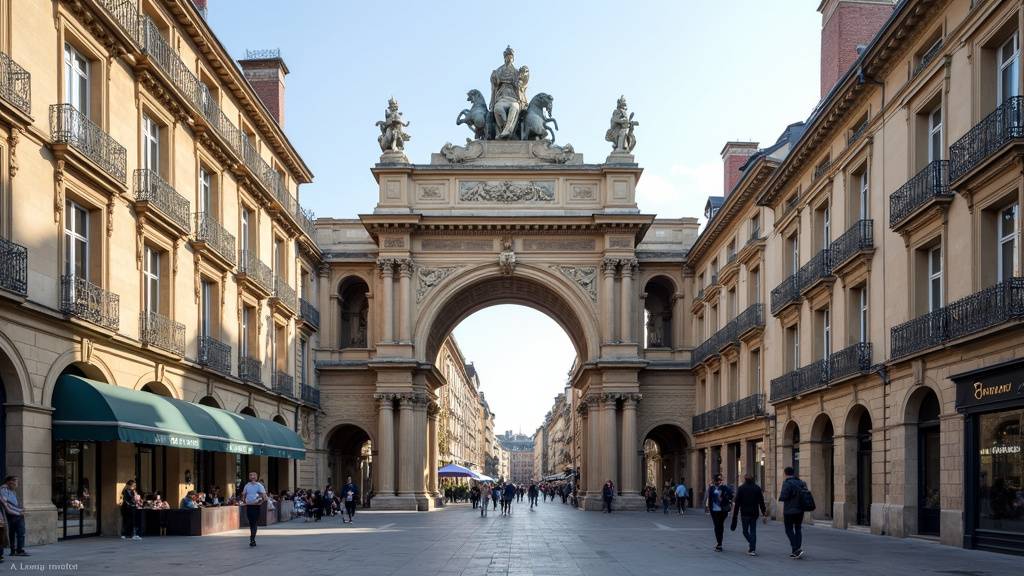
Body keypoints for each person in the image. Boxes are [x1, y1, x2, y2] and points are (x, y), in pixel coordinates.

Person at [731, 474, 768, 556]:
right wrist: (764, 511)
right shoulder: (757, 488)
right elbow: (761, 501)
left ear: (745, 479)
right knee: (753, 530)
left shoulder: (741, 488)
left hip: (745, 513)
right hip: (754, 513)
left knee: (745, 531)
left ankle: (752, 546)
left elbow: (737, 503)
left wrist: (735, 514)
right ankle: (752, 548)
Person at [778, 466, 807, 559]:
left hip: (789, 510)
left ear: (785, 473)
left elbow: (783, 496)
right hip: (800, 510)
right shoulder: (801, 482)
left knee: (789, 529)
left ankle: (796, 549)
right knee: (798, 529)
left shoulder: (786, 483)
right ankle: (796, 550)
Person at [704, 474, 733, 552]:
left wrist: (725, 489)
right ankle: (719, 543)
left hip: (722, 511)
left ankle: (719, 543)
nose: (718, 481)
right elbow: (708, 498)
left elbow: (731, 495)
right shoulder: (712, 488)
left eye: (719, 480)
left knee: (719, 526)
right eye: (718, 480)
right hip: (715, 511)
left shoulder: (723, 487)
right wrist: (707, 508)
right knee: (718, 526)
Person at [0, 476, 27, 556]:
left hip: (17, 515)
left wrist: (20, 510)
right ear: (9, 482)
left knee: (21, 533)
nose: (16, 484)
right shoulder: (3, 490)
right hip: (12, 516)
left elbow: (14, 504)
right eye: (15, 482)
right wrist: (19, 512)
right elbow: (7, 505)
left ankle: (19, 550)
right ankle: (14, 550)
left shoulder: (13, 491)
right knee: (12, 533)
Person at [241, 472, 267, 547]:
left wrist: (260, 502)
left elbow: (264, 497)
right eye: (251, 475)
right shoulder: (247, 485)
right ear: (249, 477)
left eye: (254, 475)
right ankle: (252, 538)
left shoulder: (259, 486)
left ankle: (252, 539)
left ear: (256, 477)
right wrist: (244, 500)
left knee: (254, 522)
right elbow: (243, 495)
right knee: (251, 522)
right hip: (249, 506)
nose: (252, 477)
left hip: (256, 507)